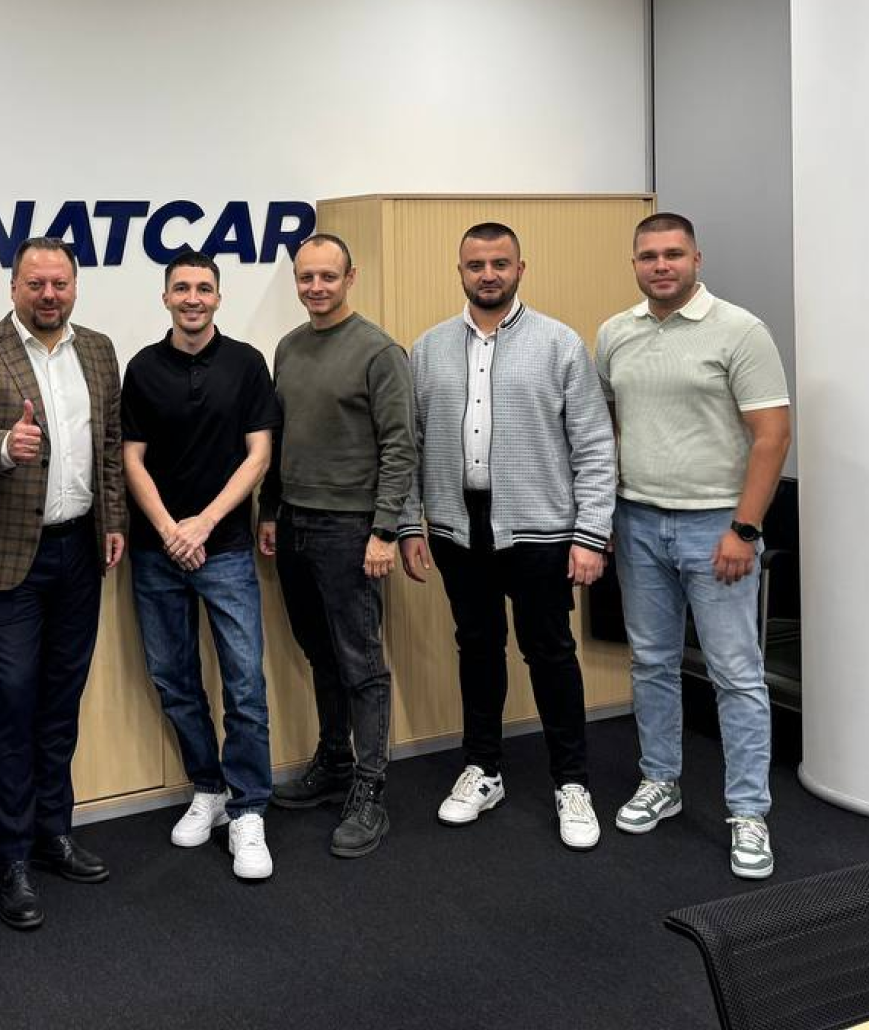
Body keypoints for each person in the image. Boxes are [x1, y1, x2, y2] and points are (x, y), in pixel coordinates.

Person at [398, 222, 616, 851]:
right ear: (460, 272)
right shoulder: (428, 348)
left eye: (500, 263)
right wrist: (410, 523)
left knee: (549, 653)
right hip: (456, 527)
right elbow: (410, 445)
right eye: (476, 265)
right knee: (477, 648)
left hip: (541, 531)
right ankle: (483, 769)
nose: (487, 274)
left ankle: (571, 783)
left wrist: (591, 535)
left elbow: (595, 445)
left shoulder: (560, 344)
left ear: (521, 268)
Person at [0, 237, 126, 928]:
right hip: (6, 559)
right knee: (14, 703)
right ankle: (12, 859)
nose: (49, 295)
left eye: (60, 284)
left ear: (75, 287)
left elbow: (109, 446)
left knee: (61, 700)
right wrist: (1, 445)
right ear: (13, 286)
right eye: (36, 284)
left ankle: (55, 833)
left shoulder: (98, 350)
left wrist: (113, 519)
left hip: (79, 549)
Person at [597, 212, 791, 879]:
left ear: (696, 259)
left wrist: (745, 528)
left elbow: (772, 435)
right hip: (637, 521)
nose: (661, 265)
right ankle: (661, 780)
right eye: (649, 255)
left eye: (673, 254)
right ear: (634, 263)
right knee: (651, 662)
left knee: (736, 674)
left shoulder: (740, 330)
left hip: (718, 528)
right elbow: (611, 424)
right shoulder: (615, 334)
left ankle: (748, 813)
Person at [257, 233, 416, 859]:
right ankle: (334, 762)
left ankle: (370, 789)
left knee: (361, 662)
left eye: (328, 276)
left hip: (352, 530)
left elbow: (401, 445)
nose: (316, 287)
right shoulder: (289, 347)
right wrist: (271, 510)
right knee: (319, 651)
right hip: (296, 524)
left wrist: (385, 530)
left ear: (350, 277)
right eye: (306, 278)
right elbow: (280, 439)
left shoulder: (379, 351)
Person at [122, 251, 280, 879]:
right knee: (174, 679)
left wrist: (204, 524)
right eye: (182, 288)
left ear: (219, 297)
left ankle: (249, 808)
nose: (193, 298)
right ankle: (209, 788)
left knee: (244, 684)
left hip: (227, 548)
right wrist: (170, 530)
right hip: (156, 551)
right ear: (165, 297)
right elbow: (131, 459)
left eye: (204, 288)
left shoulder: (247, 363)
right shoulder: (142, 368)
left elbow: (259, 455)